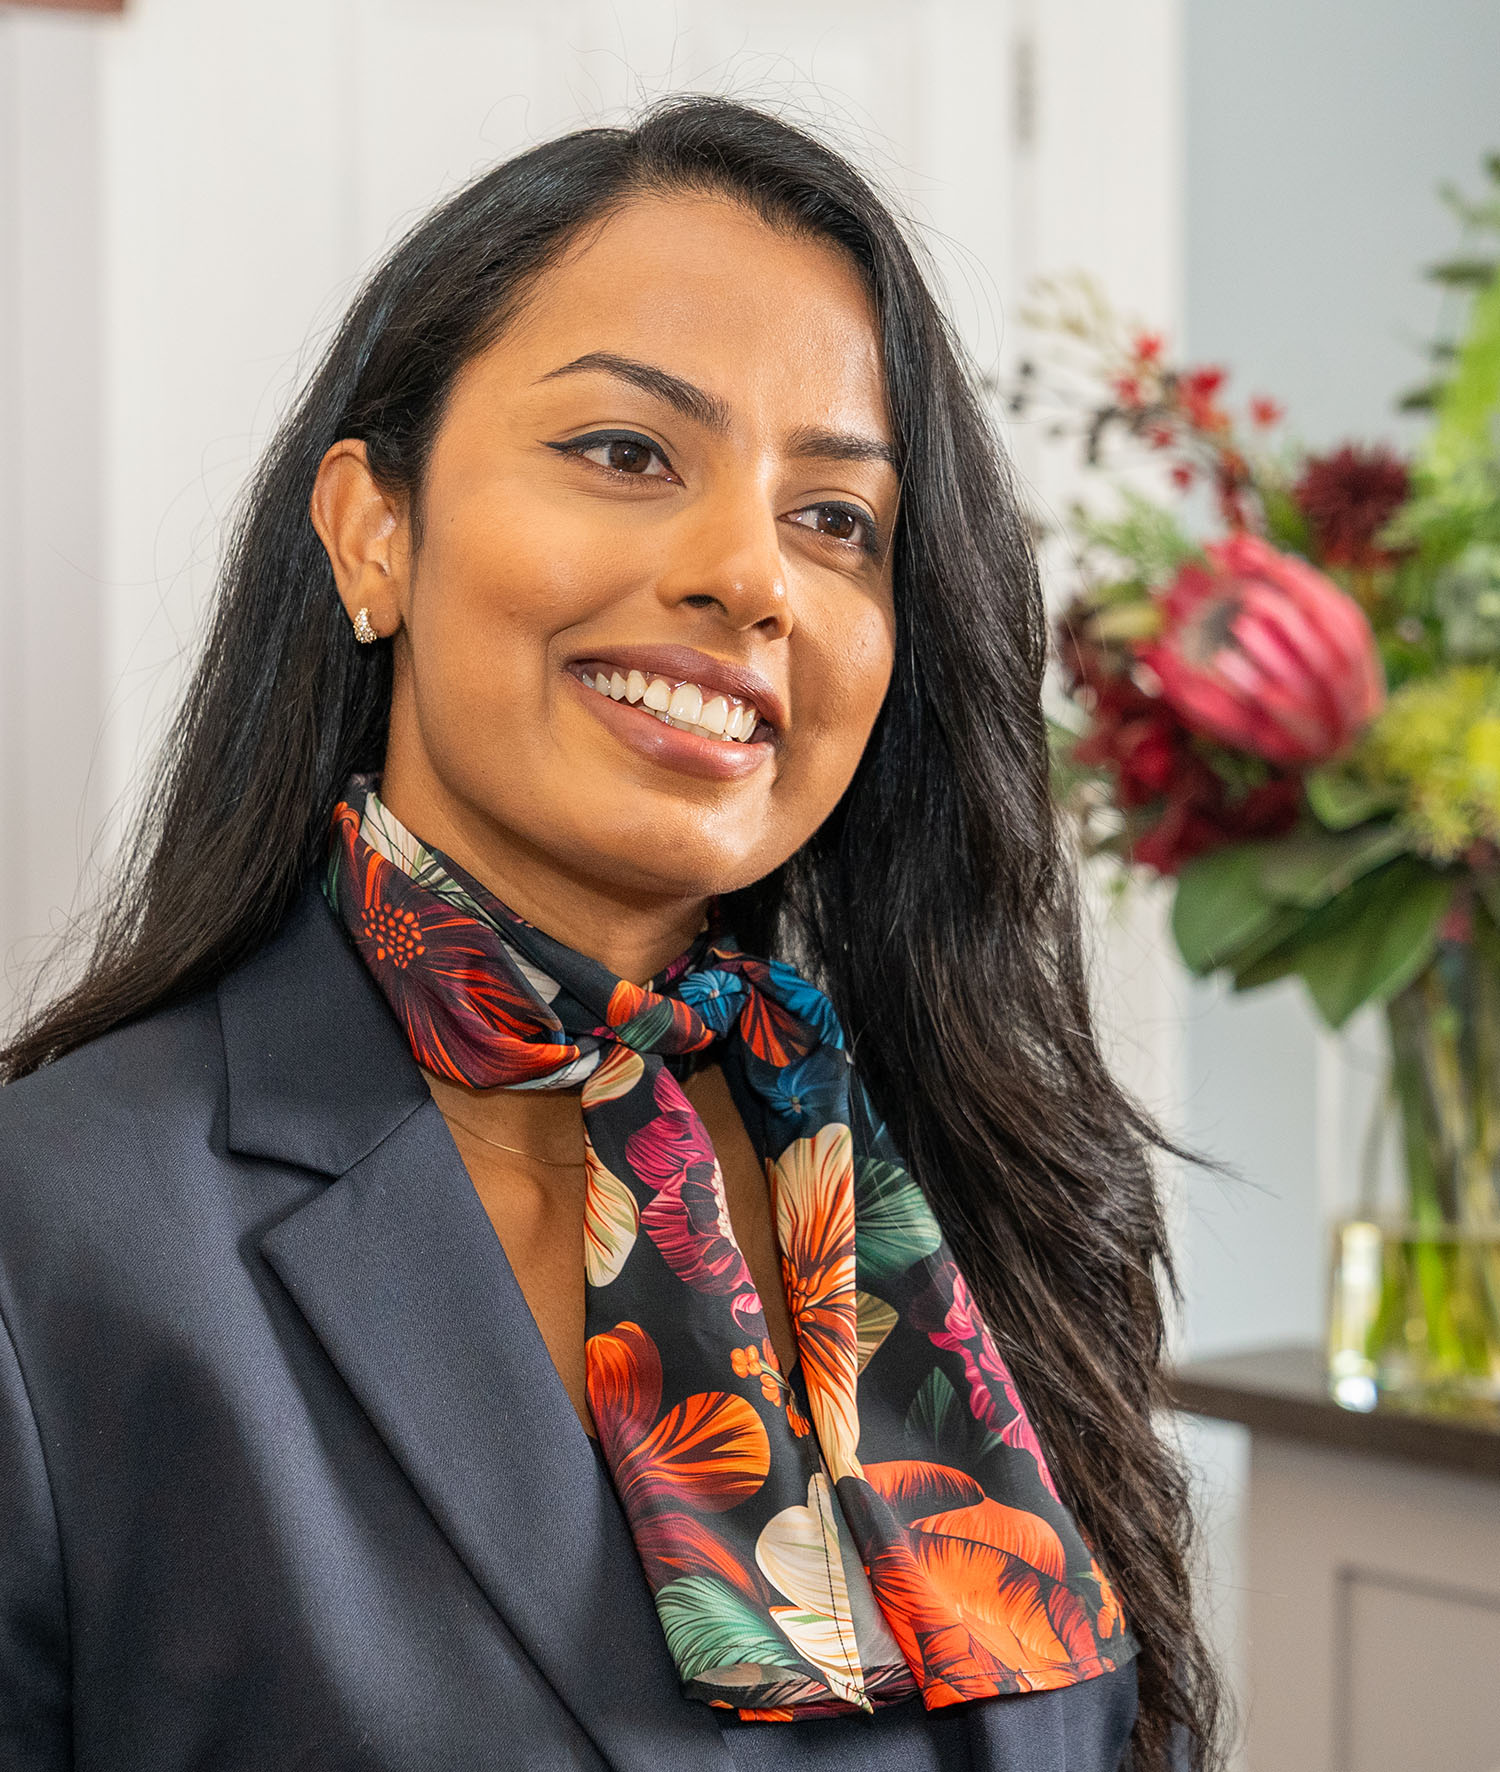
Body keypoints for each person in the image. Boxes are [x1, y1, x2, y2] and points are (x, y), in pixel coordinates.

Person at [0, 99, 1218, 1770]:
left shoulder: (956, 1178)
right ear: (374, 530)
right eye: (628, 452)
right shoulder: (55, 1234)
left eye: (836, 519)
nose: (749, 576)